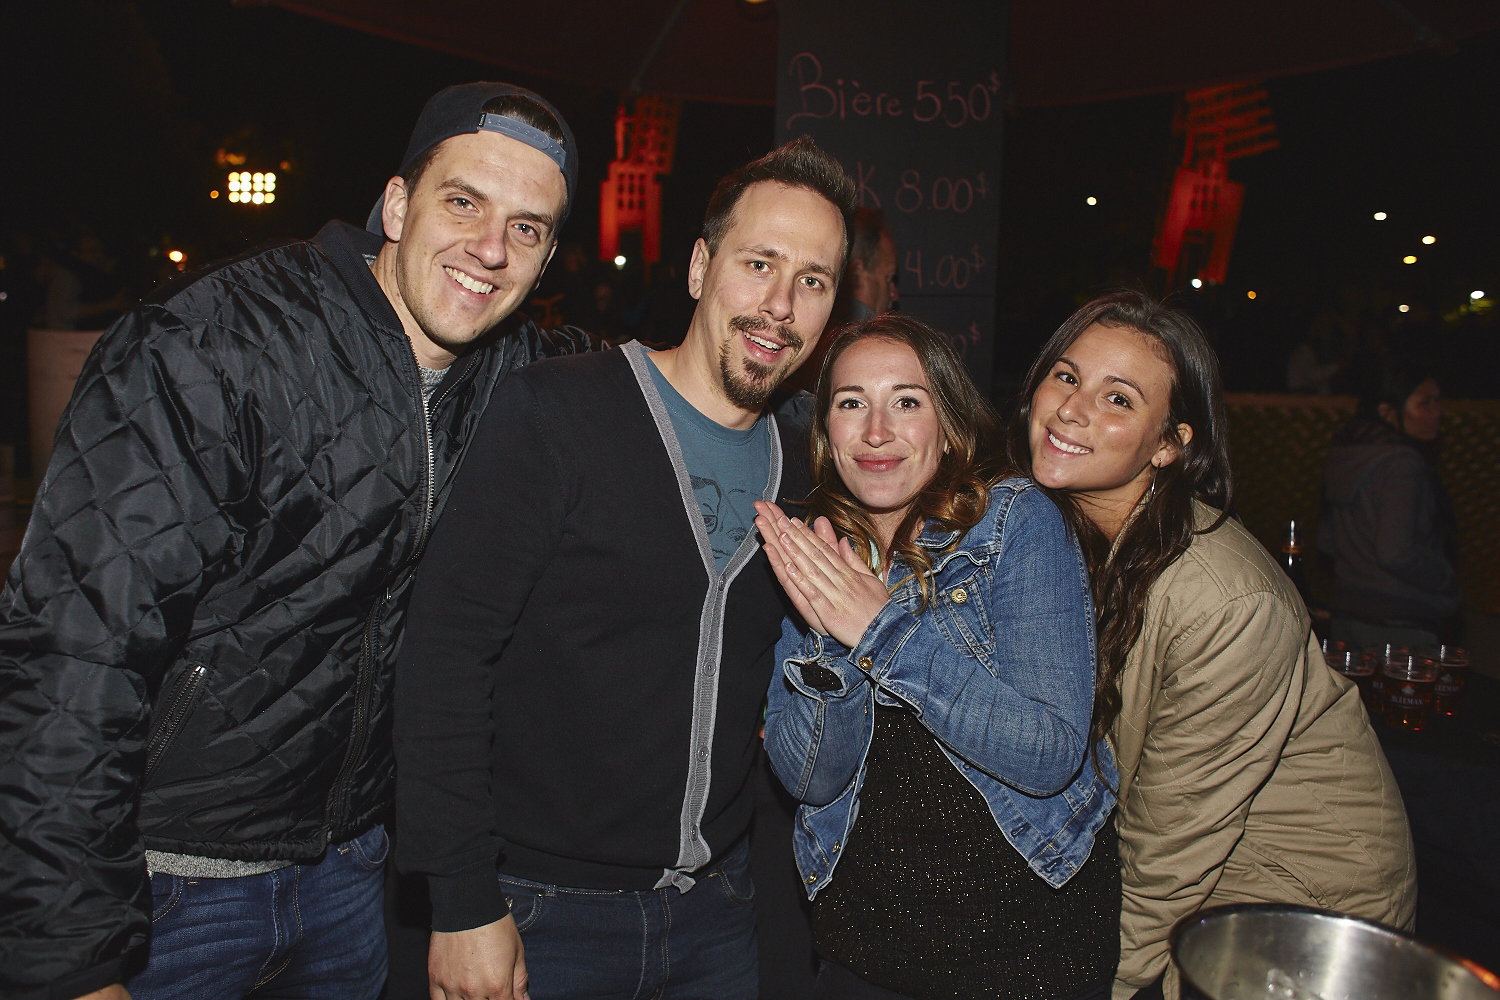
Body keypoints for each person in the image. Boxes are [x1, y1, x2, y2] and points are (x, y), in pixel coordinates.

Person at [0, 81, 598, 1000]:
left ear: (549, 254)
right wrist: (68, 956)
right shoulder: (215, 343)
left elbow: (673, 399)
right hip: (165, 891)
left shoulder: (515, 377)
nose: (490, 248)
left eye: (528, 228)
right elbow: (72, 652)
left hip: (351, 878)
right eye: (465, 202)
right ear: (397, 205)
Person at [393, 136, 856, 1000]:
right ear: (698, 267)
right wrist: (460, 902)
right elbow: (443, 658)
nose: (780, 306)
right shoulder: (558, 412)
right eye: (758, 264)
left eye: (814, 282)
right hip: (538, 915)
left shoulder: (808, 472)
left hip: (720, 920)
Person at [1010, 291, 1415, 1000]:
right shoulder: (1059, 536)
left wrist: (1096, 985)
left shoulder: (1222, 599)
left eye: (1119, 399)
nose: (1073, 410)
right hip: (1200, 879)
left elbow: (1172, 849)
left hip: (1295, 903)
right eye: (1067, 377)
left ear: (1169, 445)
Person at [758, 314, 1120, 1000]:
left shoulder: (1014, 522)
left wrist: (881, 632)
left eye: (907, 401)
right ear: (827, 435)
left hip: (1022, 949)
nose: (876, 430)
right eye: (851, 403)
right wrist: (833, 643)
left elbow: (1048, 753)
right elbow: (811, 778)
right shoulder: (818, 556)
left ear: (949, 425)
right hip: (865, 947)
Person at [1320, 354, 1460, 648]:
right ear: (1388, 412)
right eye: (1426, 403)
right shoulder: (1402, 464)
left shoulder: (1348, 454)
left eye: (1438, 401)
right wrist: (1447, 580)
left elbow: (1327, 540)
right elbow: (1396, 552)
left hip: (1349, 615)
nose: (1438, 412)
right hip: (1400, 620)